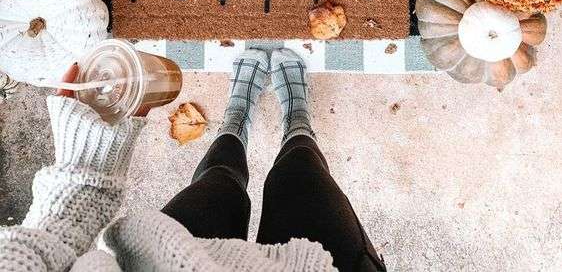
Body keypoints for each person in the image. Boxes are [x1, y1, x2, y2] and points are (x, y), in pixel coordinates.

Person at [0, 48, 386, 271]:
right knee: (302, 175)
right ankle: (297, 120)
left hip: (162, 259)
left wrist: (85, 175)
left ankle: (237, 119)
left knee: (218, 182)